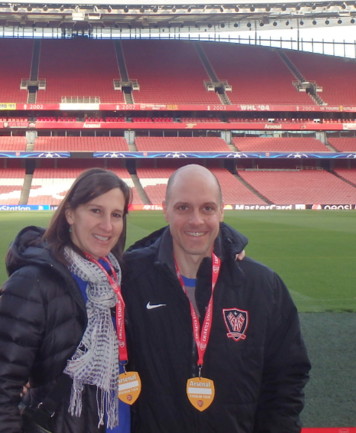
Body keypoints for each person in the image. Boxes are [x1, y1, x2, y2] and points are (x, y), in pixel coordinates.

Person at [122, 164, 311, 433]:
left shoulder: (262, 286)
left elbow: (286, 379)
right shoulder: (129, 278)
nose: (196, 220)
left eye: (207, 208)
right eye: (183, 207)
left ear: (222, 211)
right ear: (165, 209)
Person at [0, 168, 133, 433]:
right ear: (70, 213)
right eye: (95, 211)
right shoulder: (31, 285)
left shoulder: (117, 280)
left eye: (116, 215)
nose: (107, 225)